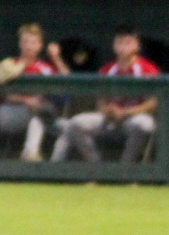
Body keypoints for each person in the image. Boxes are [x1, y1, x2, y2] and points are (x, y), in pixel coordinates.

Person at [53, 25, 160, 163]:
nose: (122, 46)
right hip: (109, 118)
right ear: (114, 45)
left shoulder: (147, 69)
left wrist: (126, 112)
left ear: (137, 46)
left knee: (144, 124)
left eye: (128, 42)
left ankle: (125, 170)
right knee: (76, 123)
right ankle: (97, 167)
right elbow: (100, 99)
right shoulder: (108, 69)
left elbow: (153, 103)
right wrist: (107, 110)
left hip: (133, 117)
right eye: (119, 42)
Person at [0, 23, 62, 161]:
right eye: (25, 42)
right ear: (20, 44)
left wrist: (56, 58)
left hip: (38, 115)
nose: (29, 46)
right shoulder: (9, 65)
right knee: (38, 113)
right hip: (9, 112)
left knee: (40, 116)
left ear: (40, 45)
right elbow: (2, 94)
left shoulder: (45, 68)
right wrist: (25, 100)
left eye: (33, 42)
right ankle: (30, 155)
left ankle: (29, 155)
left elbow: (66, 82)